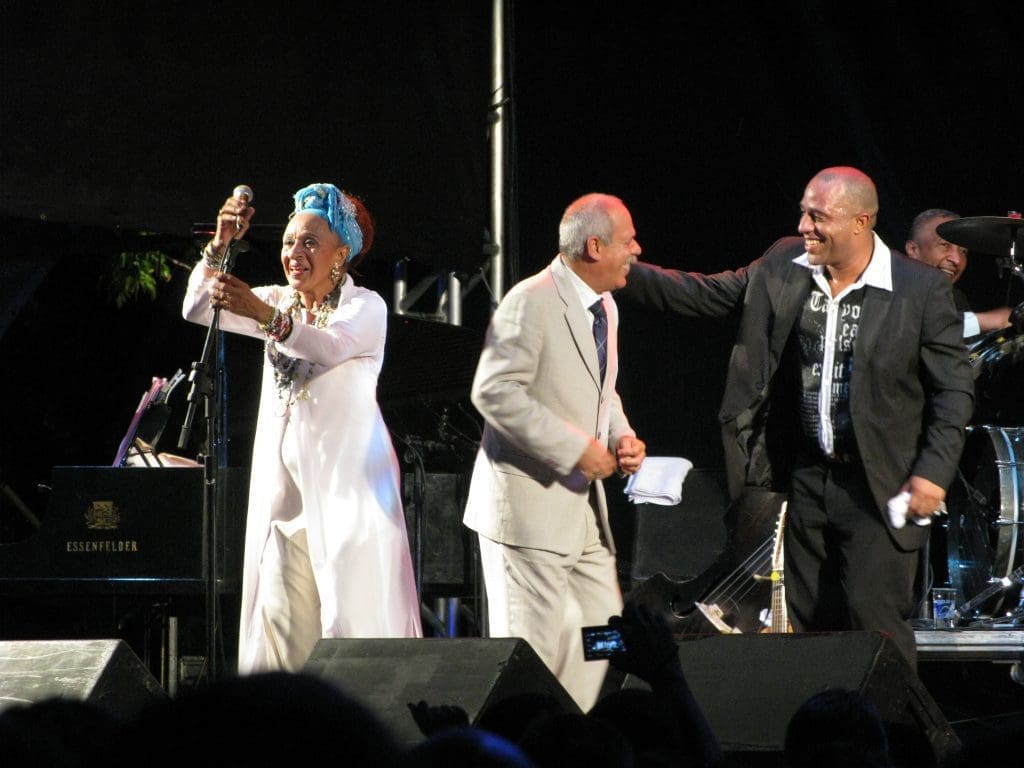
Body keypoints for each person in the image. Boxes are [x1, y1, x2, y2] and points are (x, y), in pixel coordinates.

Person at [617, 167, 974, 668]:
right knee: (806, 628)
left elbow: (954, 390)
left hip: (880, 486)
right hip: (806, 478)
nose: (804, 225)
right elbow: (705, 294)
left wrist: (933, 473)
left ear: (860, 222)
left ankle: (901, 739)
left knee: (875, 624)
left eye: (817, 216)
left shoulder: (917, 289)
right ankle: (816, 739)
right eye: (803, 212)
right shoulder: (785, 263)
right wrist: (619, 270)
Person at [182, 182, 422, 674]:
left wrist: (263, 314)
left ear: (340, 254)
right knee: (283, 633)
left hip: (350, 499)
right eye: (289, 241)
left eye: (309, 242)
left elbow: (326, 347)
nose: (294, 253)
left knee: (351, 633)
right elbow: (198, 309)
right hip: (287, 503)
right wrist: (220, 246)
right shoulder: (279, 302)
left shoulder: (366, 307)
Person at [463, 193, 647, 711]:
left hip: (582, 515)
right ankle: (526, 742)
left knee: (602, 634)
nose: (637, 248)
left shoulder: (604, 306)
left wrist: (620, 437)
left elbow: (601, 390)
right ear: (595, 246)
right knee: (529, 658)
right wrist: (574, 448)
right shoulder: (531, 300)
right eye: (628, 238)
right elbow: (494, 391)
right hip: (527, 514)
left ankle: (569, 731)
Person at [904, 208, 1012, 336]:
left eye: (963, 251)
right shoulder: (894, 291)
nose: (957, 260)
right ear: (913, 249)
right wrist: (985, 321)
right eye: (944, 245)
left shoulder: (956, 298)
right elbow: (917, 326)